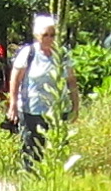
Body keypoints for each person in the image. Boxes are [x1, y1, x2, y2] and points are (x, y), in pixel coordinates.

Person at [7, 14, 74, 176]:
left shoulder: (62, 54)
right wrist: (13, 105)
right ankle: (30, 181)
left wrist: (75, 106)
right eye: (45, 35)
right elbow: (15, 79)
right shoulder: (28, 53)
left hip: (58, 110)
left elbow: (71, 81)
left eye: (52, 35)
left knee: (57, 147)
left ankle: (55, 179)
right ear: (37, 36)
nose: (49, 39)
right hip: (32, 110)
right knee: (32, 148)